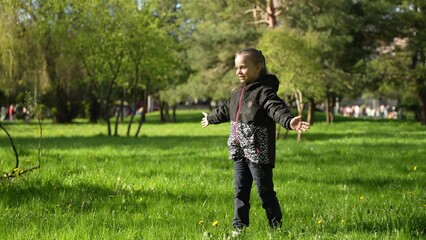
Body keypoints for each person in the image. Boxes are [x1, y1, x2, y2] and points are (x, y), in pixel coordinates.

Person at [201, 48, 310, 232]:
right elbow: (225, 110)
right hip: (238, 149)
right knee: (240, 191)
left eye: (243, 67)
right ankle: (239, 228)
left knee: (264, 191)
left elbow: (275, 108)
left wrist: (289, 121)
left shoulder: (264, 91)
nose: (239, 71)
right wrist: (210, 118)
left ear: (258, 68)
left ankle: (276, 228)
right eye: (237, 68)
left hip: (258, 150)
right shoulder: (237, 93)